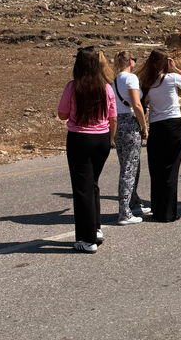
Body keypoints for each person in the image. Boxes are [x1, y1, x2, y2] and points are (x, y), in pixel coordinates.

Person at [58, 47, 117, 253]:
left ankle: (87, 239)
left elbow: (62, 114)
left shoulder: (73, 87)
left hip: (80, 138)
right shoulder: (106, 88)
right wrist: (110, 140)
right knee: (92, 185)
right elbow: (113, 118)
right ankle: (96, 228)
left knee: (82, 189)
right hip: (102, 139)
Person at [139, 49, 181, 222]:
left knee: (156, 169)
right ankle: (168, 213)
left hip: (156, 126)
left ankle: (157, 209)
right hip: (173, 125)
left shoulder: (147, 82)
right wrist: (175, 68)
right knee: (170, 169)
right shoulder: (171, 78)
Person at [113, 51, 151, 225]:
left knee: (130, 165)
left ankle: (133, 203)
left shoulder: (114, 80)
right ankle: (124, 212)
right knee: (128, 170)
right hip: (129, 123)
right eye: (134, 59)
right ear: (129, 61)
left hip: (118, 123)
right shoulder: (131, 78)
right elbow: (136, 104)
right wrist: (144, 125)